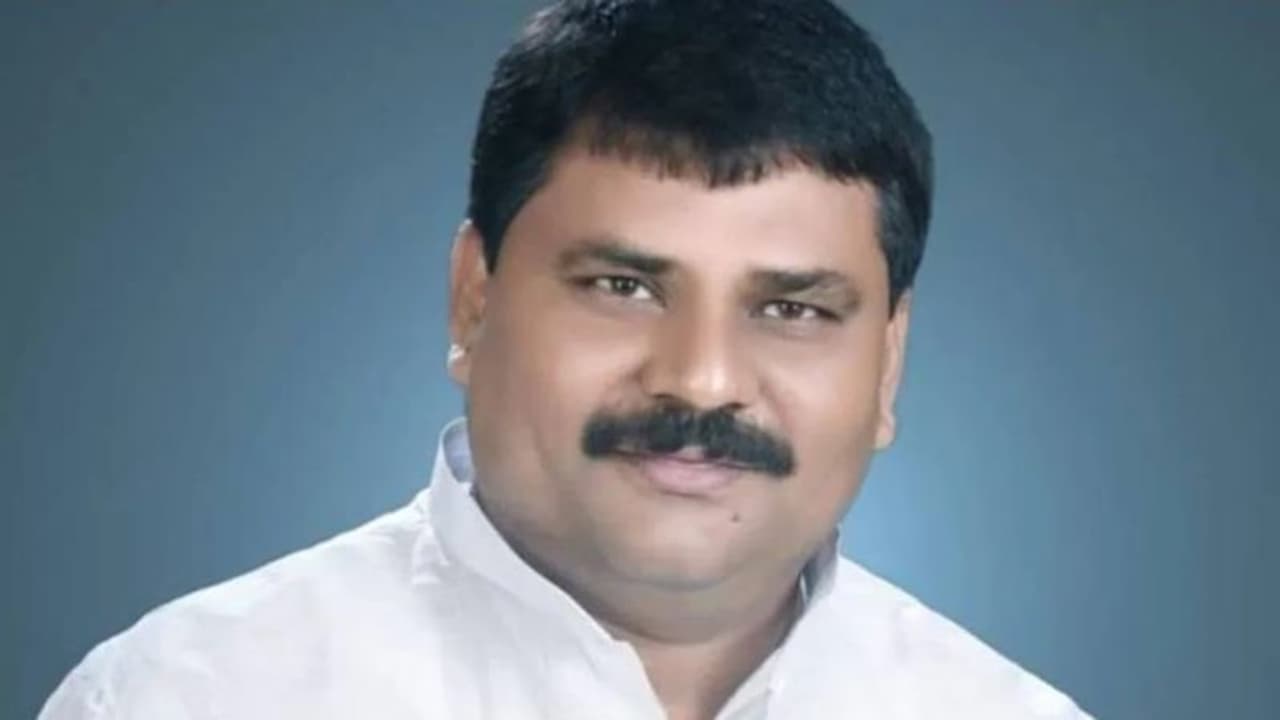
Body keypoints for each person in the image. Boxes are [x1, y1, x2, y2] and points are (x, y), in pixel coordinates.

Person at [41, 1, 1092, 718]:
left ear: (888, 364)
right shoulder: (183, 697)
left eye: (790, 308)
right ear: (474, 295)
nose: (701, 379)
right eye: (623, 287)